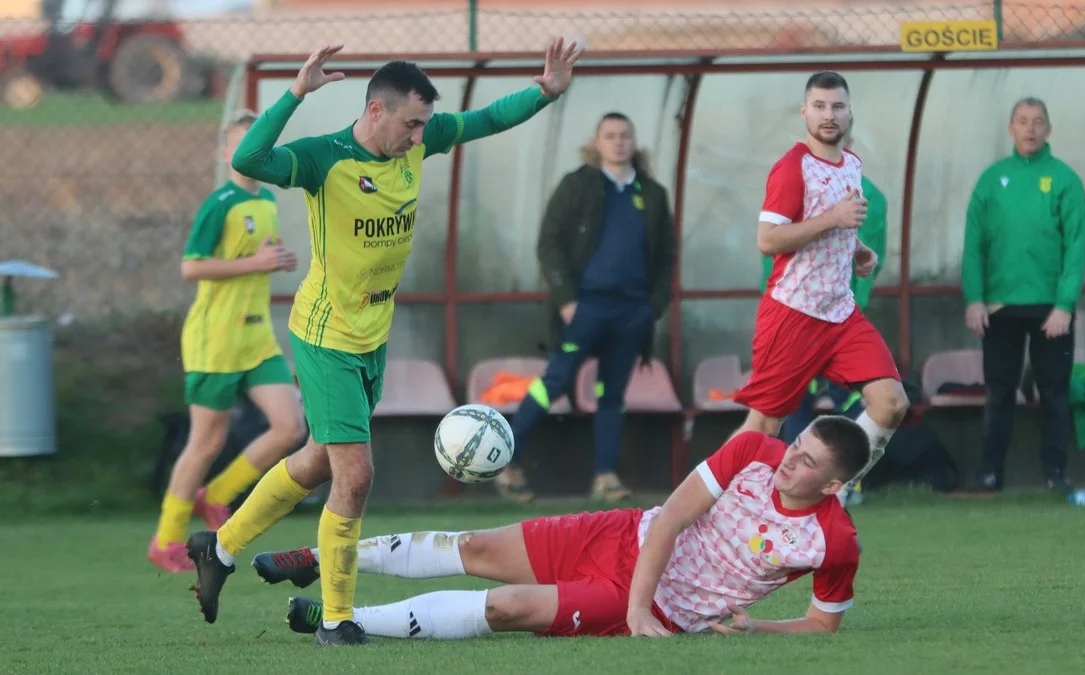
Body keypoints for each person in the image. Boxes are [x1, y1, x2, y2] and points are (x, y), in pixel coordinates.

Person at [184, 39, 582, 647]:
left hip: (372, 335)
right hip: (325, 335)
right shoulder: (325, 158)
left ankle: (222, 548)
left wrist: (545, 91)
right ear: (376, 111)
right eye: (412, 124)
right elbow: (250, 155)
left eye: (426, 125)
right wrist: (295, 93)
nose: (421, 137)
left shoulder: (416, 144)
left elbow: (485, 120)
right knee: (356, 474)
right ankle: (339, 620)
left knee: (320, 460)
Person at [249, 415, 869, 639]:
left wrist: (756, 625)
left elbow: (822, 623)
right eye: (797, 445)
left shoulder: (834, 540)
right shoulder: (755, 450)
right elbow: (673, 518)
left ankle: (344, 621)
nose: (790, 459)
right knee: (477, 547)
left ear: (834, 486)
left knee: (506, 608)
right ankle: (314, 555)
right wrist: (634, 611)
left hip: (668, 607)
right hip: (628, 536)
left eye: (808, 462)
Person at [732, 71, 908, 501]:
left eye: (838, 107)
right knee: (763, 427)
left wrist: (857, 248)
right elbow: (768, 239)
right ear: (805, 112)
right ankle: (702, 512)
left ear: (850, 113)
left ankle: (833, 492)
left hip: (841, 313)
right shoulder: (793, 167)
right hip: (793, 313)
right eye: (821, 107)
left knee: (891, 403)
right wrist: (834, 221)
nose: (830, 116)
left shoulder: (852, 164)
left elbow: (837, 226)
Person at [147, 111, 306, 574]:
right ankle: (166, 537)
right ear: (226, 154)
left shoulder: (270, 199)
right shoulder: (219, 203)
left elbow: (255, 259)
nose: (249, 152)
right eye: (240, 144)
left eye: (258, 143)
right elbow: (191, 267)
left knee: (290, 427)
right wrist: (256, 264)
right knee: (206, 441)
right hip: (215, 338)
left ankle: (215, 497)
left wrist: (274, 262)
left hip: (255, 335)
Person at [495, 112, 677, 504]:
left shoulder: (653, 193)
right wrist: (567, 299)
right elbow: (549, 244)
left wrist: (653, 308)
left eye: (625, 136)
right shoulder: (578, 186)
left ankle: (605, 476)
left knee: (611, 394)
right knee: (553, 383)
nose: (618, 143)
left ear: (635, 142)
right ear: (597, 143)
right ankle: (508, 464)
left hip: (632, 312)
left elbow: (667, 257)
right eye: (610, 136)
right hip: (585, 308)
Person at [962, 97, 1085, 493]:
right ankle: (990, 472)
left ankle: (1055, 474)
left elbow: (1077, 247)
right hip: (1000, 307)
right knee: (999, 393)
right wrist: (974, 298)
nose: (1030, 129)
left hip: (1051, 309)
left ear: (1048, 129)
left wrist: (1065, 305)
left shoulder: (1065, 180)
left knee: (1054, 394)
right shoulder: (991, 179)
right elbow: (974, 244)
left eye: (1037, 122)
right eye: (1022, 121)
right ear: (1010, 128)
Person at [774, 128, 889, 507]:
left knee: (875, 400)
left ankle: (840, 483)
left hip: (840, 318)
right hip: (792, 315)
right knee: (786, 404)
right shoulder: (794, 179)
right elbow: (773, 249)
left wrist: (852, 308)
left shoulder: (870, 194)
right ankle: (778, 489)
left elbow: (869, 259)